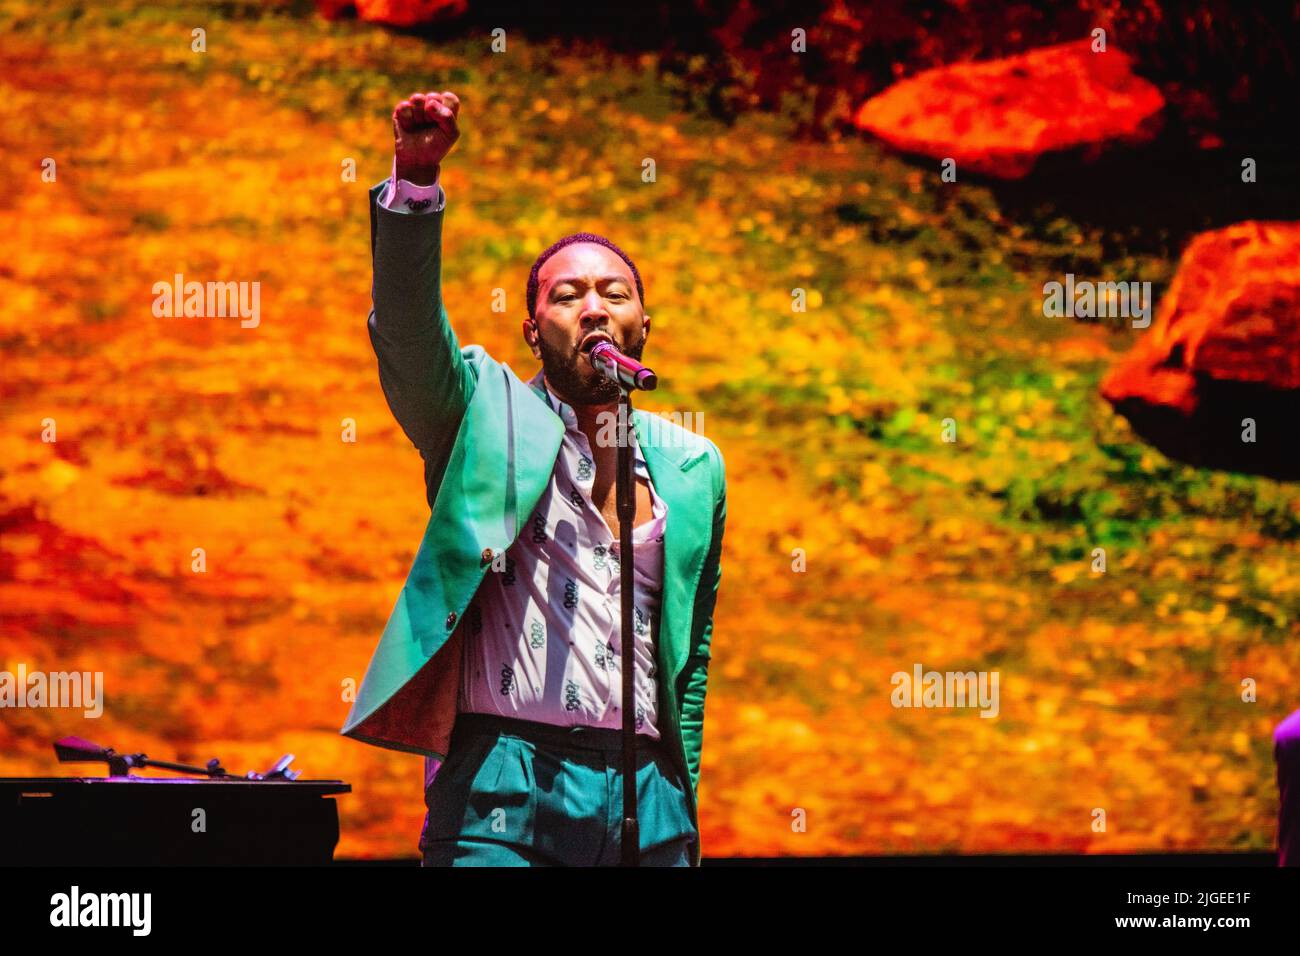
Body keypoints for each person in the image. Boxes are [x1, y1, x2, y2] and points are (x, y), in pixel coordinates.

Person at [339, 90, 727, 866]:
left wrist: (678, 791)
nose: (594, 309)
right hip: (504, 778)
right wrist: (415, 183)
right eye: (568, 295)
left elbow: (693, 656)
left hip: (647, 790)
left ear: (643, 327)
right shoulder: (484, 414)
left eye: (615, 294)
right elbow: (409, 334)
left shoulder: (693, 466)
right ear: (532, 329)